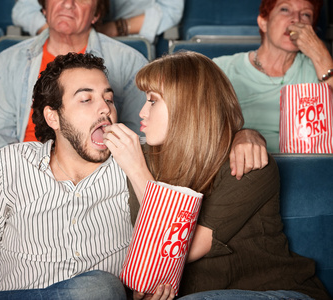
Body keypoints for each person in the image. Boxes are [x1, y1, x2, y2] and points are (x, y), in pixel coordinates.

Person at [0, 52, 268, 300]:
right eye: (86, 99)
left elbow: (198, 137)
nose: (105, 108)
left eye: (108, 98)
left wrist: (246, 133)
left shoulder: (142, 160)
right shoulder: (11, 163)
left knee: (99, 288)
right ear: (53, 116)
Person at [103, 51, 330, 300]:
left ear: (187, 105)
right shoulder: (145, 158)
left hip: (274, 291)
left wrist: (137, 171)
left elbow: (170, 253)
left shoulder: (247, 165)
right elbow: (149, 272)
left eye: (153, 101)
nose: (142, 113)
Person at [0, 0, 148, 152]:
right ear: (44, 8)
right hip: (22, 168)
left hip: (97, 170)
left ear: (96, 14)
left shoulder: (130, 63)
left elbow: (138, 135)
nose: (68, 4)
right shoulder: (7, 62)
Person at [213, 0, 333, 153]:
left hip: (306, 166)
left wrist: (320, 54)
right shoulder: (222, 68)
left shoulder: (319, 69)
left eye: (306, 14)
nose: (296, 19)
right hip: (240, 167)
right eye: (285, 9)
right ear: (263, 22)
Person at [12, 0, 184, 43]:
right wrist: (62, 31)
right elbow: (23, 10)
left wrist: (113, 29)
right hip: (59, 41)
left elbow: (171, 9)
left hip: (126, 40)